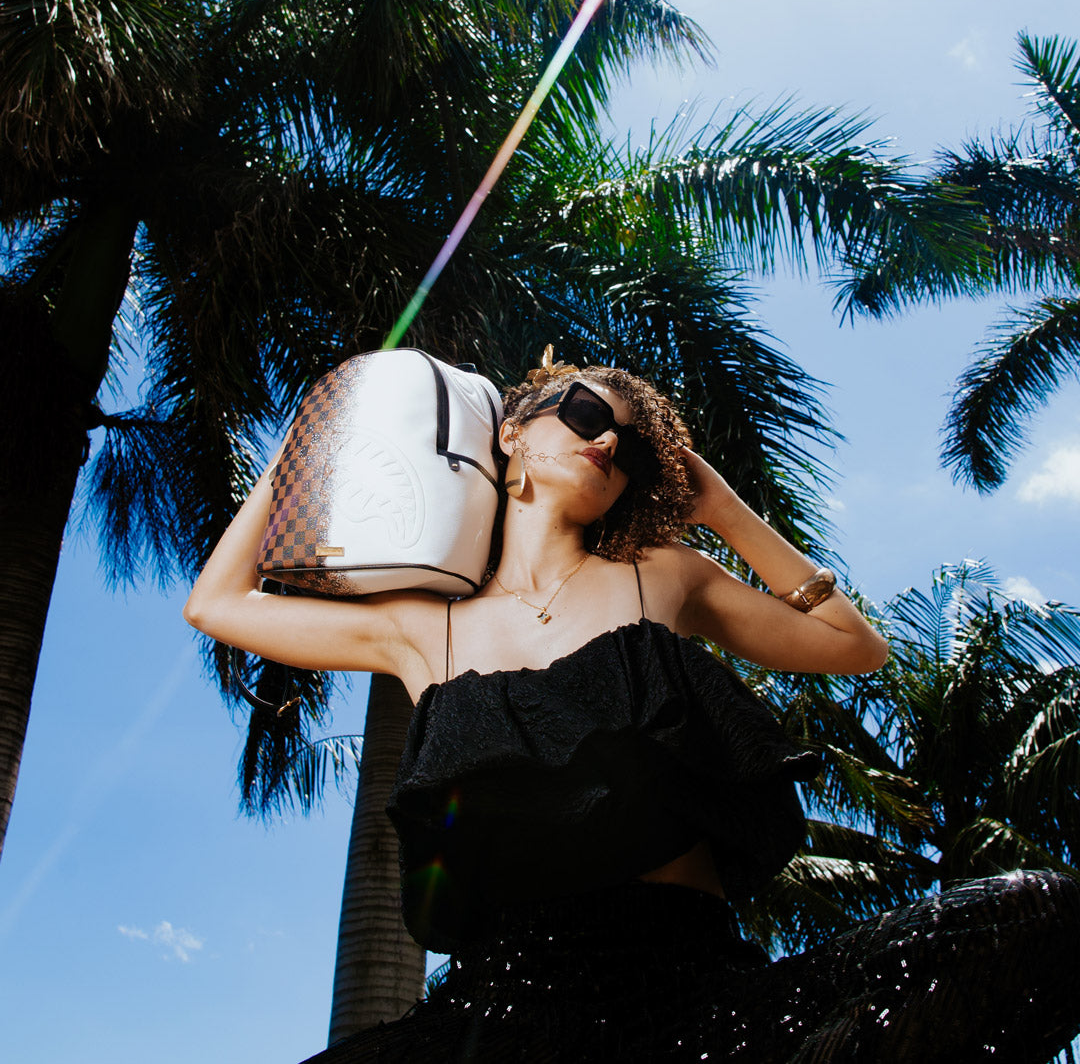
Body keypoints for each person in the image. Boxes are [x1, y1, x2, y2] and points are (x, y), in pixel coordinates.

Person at [186, 352, 1080, 1063]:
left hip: (691, 994)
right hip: (498, 1009)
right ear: (510, 434)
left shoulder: (663, 577)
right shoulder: (424, 629)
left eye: (634, 447)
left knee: (1039, 912)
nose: (610, 440)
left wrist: (724, 509)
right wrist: (310, 448)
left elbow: (853, 646)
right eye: (585, 414)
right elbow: (218, 604)